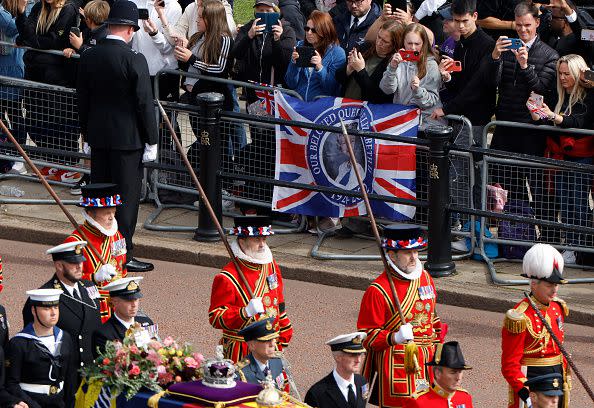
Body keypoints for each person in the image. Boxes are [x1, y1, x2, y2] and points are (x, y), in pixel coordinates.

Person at [77, 0, 159, 273]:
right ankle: (123, 254)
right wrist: (152, 139)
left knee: (101, 197)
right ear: (130, 29)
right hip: (128, 141)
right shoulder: (134, 59)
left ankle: (98, 251)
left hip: (99, 138)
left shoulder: (89, 56)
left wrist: (86, 134)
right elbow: (144, 103)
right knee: (124, 202)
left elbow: (83, 100)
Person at [357, 225, 445, 407]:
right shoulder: (377, 290)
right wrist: (394, 337)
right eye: (407, 253)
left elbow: (432, 318)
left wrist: (439, 352)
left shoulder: (426, 278)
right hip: (397, 364)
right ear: (391, 255)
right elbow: (366, 336)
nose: (414, 257)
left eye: (415, 251)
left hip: (427, 362)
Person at [528, 54, 594, 265]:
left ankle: (578, 248)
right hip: (559, 156)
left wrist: (554, 117)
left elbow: (579, 121)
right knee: (564, 203)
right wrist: (537, 113)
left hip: (581, 157)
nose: (563, 78)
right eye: (561, 73)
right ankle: (570, 247)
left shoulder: (588, 96)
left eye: (568, 74)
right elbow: (546, 120)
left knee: (577, 203)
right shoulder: (558, 95)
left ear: (578, 74)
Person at [208, 216, 293, 362]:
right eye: (257, 240)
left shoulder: (270, 264)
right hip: (243, 349)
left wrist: (285, 330)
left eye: (264, 239)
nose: (262, 245)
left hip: (272, 343)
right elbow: (216, 317)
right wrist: (244, 312)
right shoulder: (227, 277)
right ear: (242, 241)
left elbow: (278, 300)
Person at [15, 0, 81, 183]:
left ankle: (69, 166)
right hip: (35, 74)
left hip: (58, 77)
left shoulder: (68, 10)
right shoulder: (38, 7)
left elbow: (51, 40)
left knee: (60, 121)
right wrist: (21, 14)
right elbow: (27, 35)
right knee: (37, 119)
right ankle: (51, 161)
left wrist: (31, 39)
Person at [501, 243, 569, 408]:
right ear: (533, 284)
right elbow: (510, 365)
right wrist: (524, 393)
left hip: (556, 379)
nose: (554, 290)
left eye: (556, 285)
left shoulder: (558, 308)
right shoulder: (519, 316)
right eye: (549, 285)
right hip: (532, 382)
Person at [488, 1, 559, 157]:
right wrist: (494, 57)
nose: (522, 29)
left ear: (537, 22)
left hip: (531, 128)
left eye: (527, 24)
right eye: (518, 25)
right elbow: (492, 83)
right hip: (504, 123)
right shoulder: (506, 48)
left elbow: (541, 89)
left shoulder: (550, 55)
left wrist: (525, 67)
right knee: (502, 178)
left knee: (532, 176)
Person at [21, 241, 102, 377]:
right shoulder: (43, 296)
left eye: (81, 261)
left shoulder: (89, 287)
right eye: (73, 263)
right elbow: (33, 342)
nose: (79, 266)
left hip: (92, 373)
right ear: (59, 265)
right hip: (62, 375)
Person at [63, 183, 128, 323]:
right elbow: (65, 281)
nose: (112, 217)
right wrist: (94, 277)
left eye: (113, 212)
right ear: (91, 213)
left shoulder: (117, 236)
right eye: (106, 213)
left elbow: (122, 268)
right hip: (90, 307)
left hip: (117, 307)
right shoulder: (74, 242)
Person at [432, 0, 496, 136]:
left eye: (465, 21)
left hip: (476, 119)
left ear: (475, 16)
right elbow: (459, 83)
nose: (460, 26)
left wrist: (447, 109)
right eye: (456, 21)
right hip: (460, 115)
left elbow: (477, 86)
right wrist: (448, 77)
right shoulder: (460, 43)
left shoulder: (487, 45)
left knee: (467, 157)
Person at [7, 289, 77, 408]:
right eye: (47, 308)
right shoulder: (18, 343)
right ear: (34, 310)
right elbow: (11, 383)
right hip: (31, 402)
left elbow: (70, 378)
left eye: (56, 307)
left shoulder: (65, 337)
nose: (53, 313)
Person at [379, 22, 443, 129]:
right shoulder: (397, 59)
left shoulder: (431, 64)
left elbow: (431, 101)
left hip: (426, 122)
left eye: (417, 44)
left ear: (423, 43)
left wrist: (417, 90)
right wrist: (392, 68)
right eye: (409, 43)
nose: (413, 48)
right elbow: (387, 89)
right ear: (403, 42)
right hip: (403, 119)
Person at [173, 0, 234, 111]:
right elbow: (187, 67)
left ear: (212, 19)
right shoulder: (196, 36)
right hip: (193, 97)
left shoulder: (224, 39)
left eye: (201, 17)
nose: (197, 20)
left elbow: (220, 68)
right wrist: (181, 56)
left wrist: (190, 58)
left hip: (214, 102)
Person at [285, 10, 346, 101]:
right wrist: (294, 64)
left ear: (324, 31)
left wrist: (320, 68)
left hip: (322, 107)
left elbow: (332, 89)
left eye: (314, 30)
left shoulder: (337, 53)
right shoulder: (300, 46)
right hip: (300, 103)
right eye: (307, 29)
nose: (309, 33)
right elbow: (291, 83)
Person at [339, 19, 403, 103]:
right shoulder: (366, 47)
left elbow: (376, 96)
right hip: (345, 104)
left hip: (367, 111)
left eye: (385, 42)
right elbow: (338, 78)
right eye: (379, 37)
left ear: (395, 44)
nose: (379, 43)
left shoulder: (393, 64)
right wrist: (349, 68)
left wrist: (361, 71)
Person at [131, 0, 181, 100]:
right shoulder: (132, 2)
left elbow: (170, 47)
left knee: (166, 114)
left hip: (165, 74)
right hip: (138, 72)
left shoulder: (173, 6)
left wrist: (154, 33)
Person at [92, 277, 156, 355]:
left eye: (136, 299)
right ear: (114, 302)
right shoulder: (104, 334)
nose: (134, 305)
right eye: (129, 300)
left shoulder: (146, 322)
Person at [0, 0, 28, 176]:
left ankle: (19, 157)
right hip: (5, 67)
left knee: (14, 112)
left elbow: (14, 29)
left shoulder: (9, 12)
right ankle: (7, 155)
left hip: (12, 68)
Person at [304, 332, 368, 408]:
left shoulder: (362, 382)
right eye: (353, 355)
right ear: (338, 357)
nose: (358, 360)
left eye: (360, 355)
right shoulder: (317, 394)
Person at [403, 341, 473, 407]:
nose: (458, 378)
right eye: (453, 372)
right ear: (438, 373)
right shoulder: (419, 402)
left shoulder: (465, 398)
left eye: (460, 372)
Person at [235, 318, 287, 391]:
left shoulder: (277, 361)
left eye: (273, 339)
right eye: (267, 340)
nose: (272, 344)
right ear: (252, 345)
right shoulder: (241, 373)